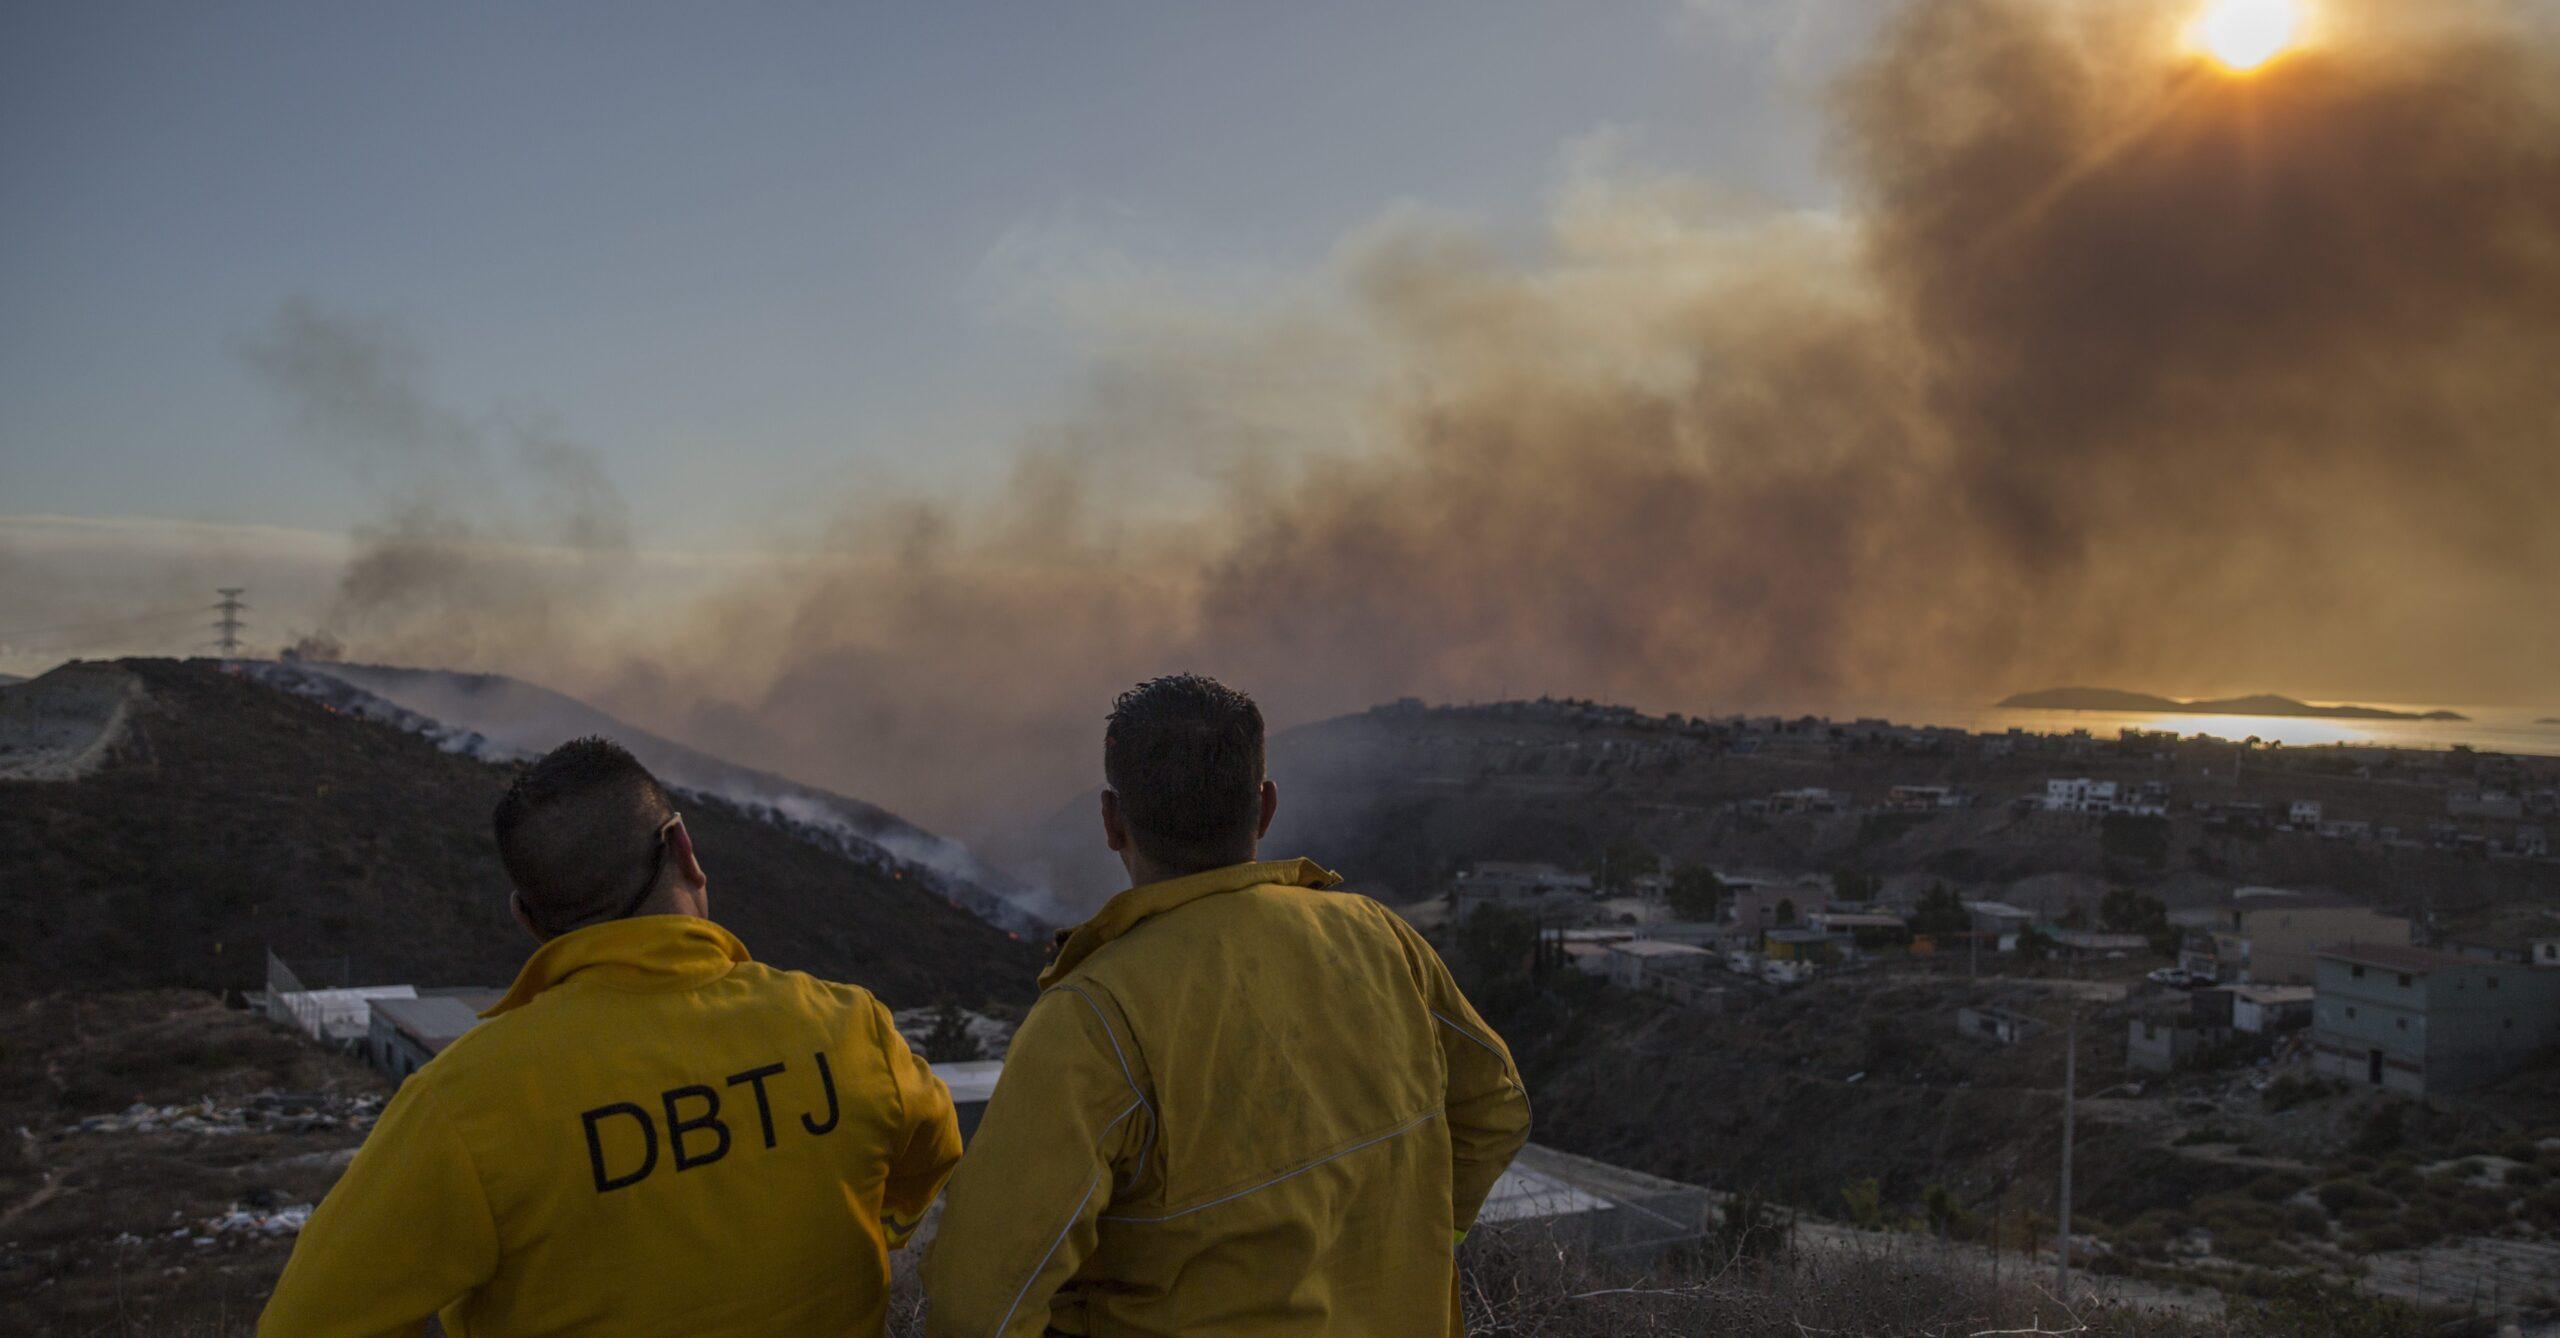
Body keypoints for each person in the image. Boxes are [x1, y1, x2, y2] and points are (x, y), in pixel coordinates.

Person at [262, 737, 960, 1337]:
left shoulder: (468, 1104)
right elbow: (933, 1159)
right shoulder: (846, 1028)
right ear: (682, 847)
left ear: (527, 920)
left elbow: (305, 1323)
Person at [925, 675, 1529, 1337]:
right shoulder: (1380, 939)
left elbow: (979, 1304)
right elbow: (1495, 1109)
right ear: (1265, 807)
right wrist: (1422, 1236)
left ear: (1111, 821)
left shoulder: (1093, 1016)